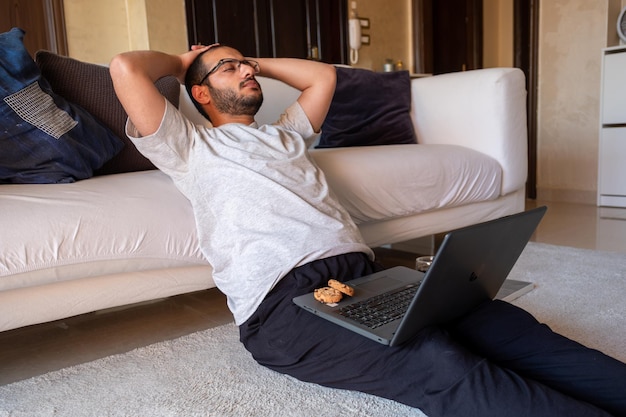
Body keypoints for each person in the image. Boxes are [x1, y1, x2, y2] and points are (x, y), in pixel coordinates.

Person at [110, 45, 626, 417]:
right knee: (438, 362)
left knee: (504, 326)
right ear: (199, 92)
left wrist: (248, 61)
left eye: (246, 63)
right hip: (284, 309)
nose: (245, 69)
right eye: (230, 68)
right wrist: (184, 61)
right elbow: (126, 67)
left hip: (368, 275)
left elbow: (323, 79)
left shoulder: (286, 135)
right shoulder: (190, 148)